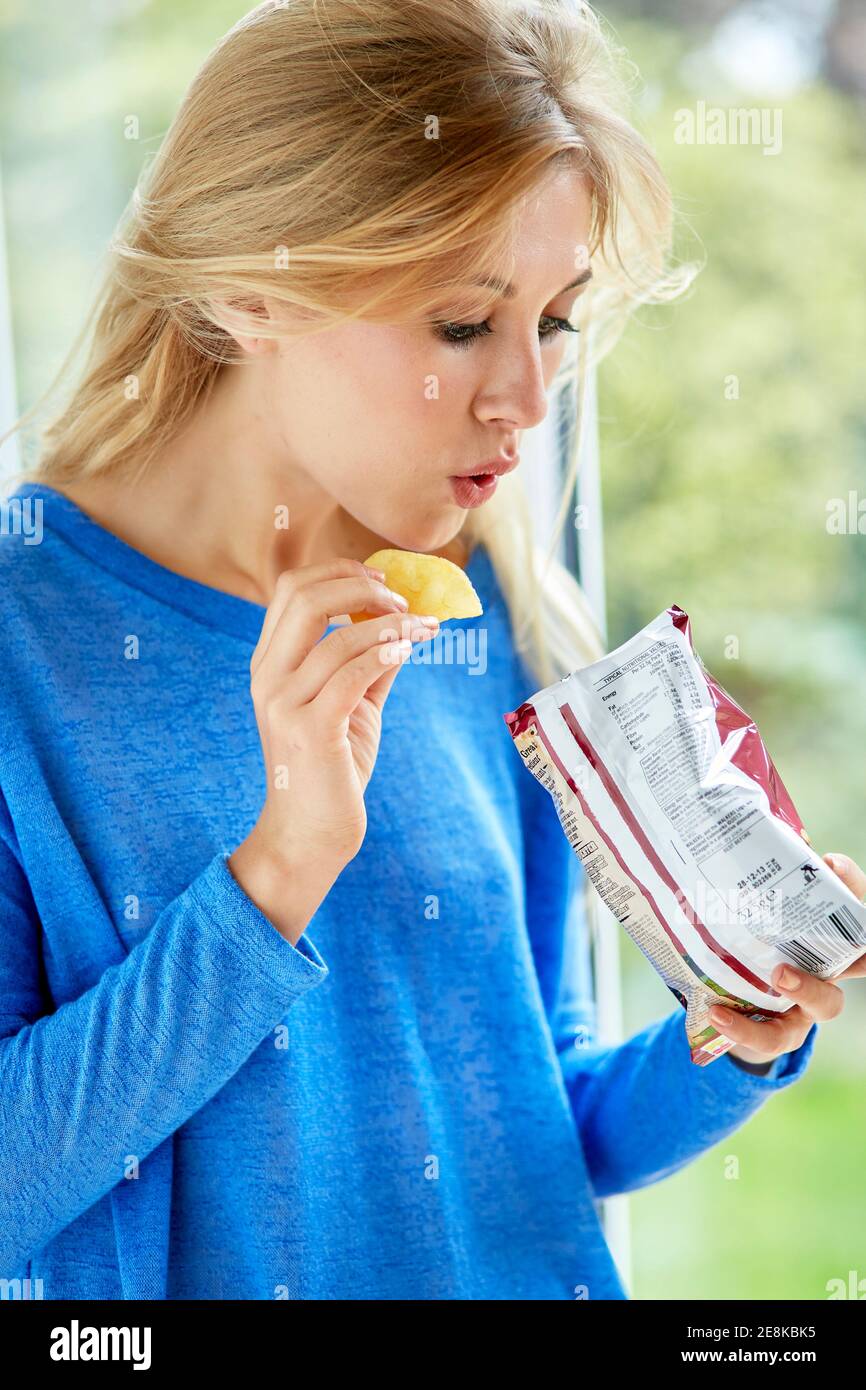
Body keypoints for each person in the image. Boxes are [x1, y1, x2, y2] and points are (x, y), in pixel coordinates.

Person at [1, 0, 863, 1301]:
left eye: (556, 321)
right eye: (462, 324)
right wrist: (279, 867)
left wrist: (733, 1035)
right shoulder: (26, 652)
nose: (525, 397)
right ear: (249, 293)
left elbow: (529, 1116)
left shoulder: (473, 618)